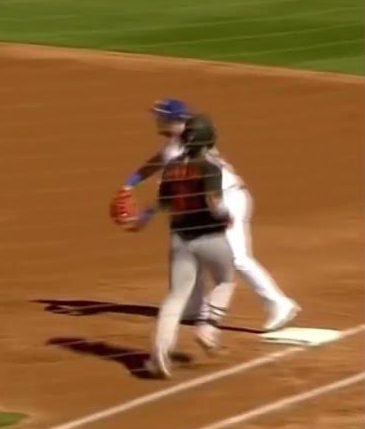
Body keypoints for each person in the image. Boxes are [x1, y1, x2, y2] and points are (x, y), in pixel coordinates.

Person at [119, 99, 301, 332]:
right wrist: (130, 183)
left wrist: (145, 216)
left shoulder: (183, 148)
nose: (157, 120)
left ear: (174, 120)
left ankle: (279, 304)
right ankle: (195, 307)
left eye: (160, 116)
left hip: (227, 200)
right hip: (210, 201)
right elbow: (154, 163)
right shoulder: (178, 143)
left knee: (237, 257)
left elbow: (172, 192)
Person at [125, 114, 235, 378]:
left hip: (180, 240)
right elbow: (213, 202)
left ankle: (159, 355)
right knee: (225, 281)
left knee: (176, 295)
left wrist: (141, 219)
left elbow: (162, 203)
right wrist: (225, 215)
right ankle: (208, 327)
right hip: (210, 237)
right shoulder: (210, 167)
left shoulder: (172, 166)